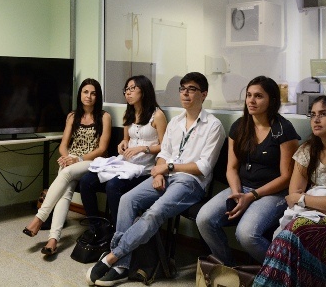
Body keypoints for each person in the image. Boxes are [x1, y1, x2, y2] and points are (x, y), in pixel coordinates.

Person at [86, 72, 226, 286]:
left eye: (191, 89)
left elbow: (203, 167)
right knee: (127, 200)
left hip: (190, 182)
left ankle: (114, 256)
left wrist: (166, 168)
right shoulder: (176, 122)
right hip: (166, 176)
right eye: (182, 89)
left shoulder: (213, 126)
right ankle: (123, 266)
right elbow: (163, 153)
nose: (185, 93)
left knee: (154, 213)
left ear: (204, 94)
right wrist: (160, 170)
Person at [254, 96, 326, 287]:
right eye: (312, 114)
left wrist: (304, 199)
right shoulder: (308, 150)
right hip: (319, 213)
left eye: (323, 114)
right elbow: (292, 196)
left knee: (296, 231)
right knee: (292, 233)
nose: (316, 119)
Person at [196, 76, 300, 265]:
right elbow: (232, 168)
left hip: (273, 194)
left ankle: (281, 274)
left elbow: (287, 177)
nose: (251, 100)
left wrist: (251, 196)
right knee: (204, 219)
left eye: (258, 96)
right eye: (249, 95)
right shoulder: (239, 126)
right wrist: (237, 193)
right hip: (241, 188)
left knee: (246, 234)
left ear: (272, 100)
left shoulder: (284, 129)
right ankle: (227, 268)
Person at [23, 78, 112, 256]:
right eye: (86, 92)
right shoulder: (73, 116)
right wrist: (66, 157)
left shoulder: (104, 116)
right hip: (72, 160)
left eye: (93, 93)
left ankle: (40, 218)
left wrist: (77, 159)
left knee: (67, 172)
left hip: (93, 161)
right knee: (66, 191)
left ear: (98, 96)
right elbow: (64, 144)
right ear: (80, 94)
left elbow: (102, 149)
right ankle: (53, 240)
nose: (89, 96)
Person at [79, 75, 166, 229]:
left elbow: (165, 148)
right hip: (126, 164)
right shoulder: (129, 113)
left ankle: (120, 230)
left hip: (144, 170)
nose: (128, 93)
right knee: (86, 181)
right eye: (126, 89)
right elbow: (126, 139)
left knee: (113, 186)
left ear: (144, 91)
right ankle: (96, 227)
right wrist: (123, 143)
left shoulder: (157, 115)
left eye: (132, 89)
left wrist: (143, 148)